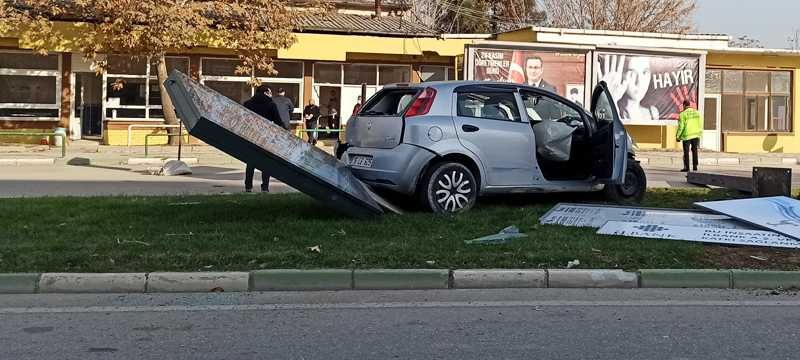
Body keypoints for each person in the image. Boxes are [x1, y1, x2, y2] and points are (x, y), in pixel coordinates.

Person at [242, 84, 282, 192]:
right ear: (265, 93)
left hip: (251, 135)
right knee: (266, 162)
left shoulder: (247, 103)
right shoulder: (270, 104)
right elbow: (278, 121)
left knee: (250, 162)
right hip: (265, 136)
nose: (271, 94)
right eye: (269, 92)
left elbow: (243, 119)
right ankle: (265, 187)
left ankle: (248, 187)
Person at [598, 54, 660, 121]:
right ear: (620, 76)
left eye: (645, 72)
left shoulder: (652, 113)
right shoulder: (612, 109)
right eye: (632, 73)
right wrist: (610, 103)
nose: (639, 82)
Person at [677, 100, 702, 172]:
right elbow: (700, 124)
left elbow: (681, 127)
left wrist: (678, 136)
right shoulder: (697, 113)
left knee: (686, 152)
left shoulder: (683, 114)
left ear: (684, 105)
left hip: (687, 136)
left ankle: (687, 168)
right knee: (695, 151)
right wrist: (699, 134)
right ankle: (695, 166)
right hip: (696, 135)